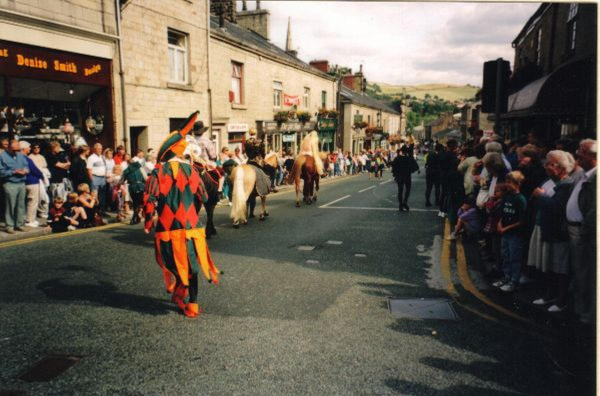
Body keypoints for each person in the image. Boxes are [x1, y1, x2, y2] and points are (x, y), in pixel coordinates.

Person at [144, 111, 220, 318]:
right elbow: (205, 197)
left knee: (173, 263)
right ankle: (193, 304)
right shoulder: (192, 171)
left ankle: (180, 290)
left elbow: (149, 201)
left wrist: (148, 221)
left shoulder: (157, 172)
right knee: (193, 265)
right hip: (191, 229)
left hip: (168, 229)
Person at [531, 150, 579, 312]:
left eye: (549, 164)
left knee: (561, 269)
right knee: (551, 266)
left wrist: (541, 196)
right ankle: (550, 296)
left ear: (560, 168)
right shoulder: (558, 183)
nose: (546, 167)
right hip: (552, 232)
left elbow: (557, 208)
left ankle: (561, 301)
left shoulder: (566, 185)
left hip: (560, 234)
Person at [565, 139, 596, 323]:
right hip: (575, 231)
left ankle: (586, 316)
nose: (577, 154)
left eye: (581, 151)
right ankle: (580, 310)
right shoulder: (585, 175)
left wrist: (584, 232)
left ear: (593, 156)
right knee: (579, 273)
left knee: (585, 275)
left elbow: (595, 211)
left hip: (583, 234)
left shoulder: (595, 177)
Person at [493, 171, 527, 292]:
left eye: (509, 182)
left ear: (517, 184)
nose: (506, 185)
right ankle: (507, 277)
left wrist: (506, 228)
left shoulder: (520, 199)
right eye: (506, 182)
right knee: (505, 256)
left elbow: (521, 221)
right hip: (505, 233)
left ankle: (514, 281)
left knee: (514, 258)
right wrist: (500, 223)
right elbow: (502, 213)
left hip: (515, 235)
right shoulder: (507, 197)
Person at [0, 139, 29, 233]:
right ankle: (10, 226)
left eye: (18, 149)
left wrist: (25, 170)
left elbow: (26, 166)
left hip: (21, 183)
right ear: (9, 147)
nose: (17, 151)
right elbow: (1, 172)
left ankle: (19, 224)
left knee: (21, 206)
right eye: (15, 150)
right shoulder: (2, 156)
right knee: (10, 206)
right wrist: (13, 171)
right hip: (10, 183)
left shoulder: (20, 155)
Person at [19, 141, 45, 228]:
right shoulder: (27, 159)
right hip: (32, 182)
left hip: (23, 182)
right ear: (23, 149)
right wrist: (41, 175)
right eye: (28, 147)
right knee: (32, 202)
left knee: (24, 202)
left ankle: (25, 218)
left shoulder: (17, 158)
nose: (30, 149)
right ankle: (30, 220)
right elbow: (34, 170)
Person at [119, 156, 147, 225]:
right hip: (140, 186)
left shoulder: (126, 171)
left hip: (132, 187)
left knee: (135, 203)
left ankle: (136, 218)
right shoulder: (140, 168)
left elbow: (121, 181)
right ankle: (135, 218)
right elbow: (145, 177)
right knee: (141, 203)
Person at [391, 145, 419, 211]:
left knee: (400, 191)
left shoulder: (397, 158)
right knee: (407, 190)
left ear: (401, 151)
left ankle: (401, 204)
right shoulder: (409, 158)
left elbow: (394, 168)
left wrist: (395, 175)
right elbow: (414, 168)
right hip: (407, 176)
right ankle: (405, 202)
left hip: (399, 176)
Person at [87, 143, 107, 213]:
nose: (100, 150)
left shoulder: (102, 157)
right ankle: (95, 211)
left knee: (102, 195)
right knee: (94, 195)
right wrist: (92, 180)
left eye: (101, 149)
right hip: (95, 177)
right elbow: (89, 169)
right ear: (94, 149)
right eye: (98, 149)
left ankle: (102, 210)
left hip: (103, 178)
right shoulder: (91, 158)